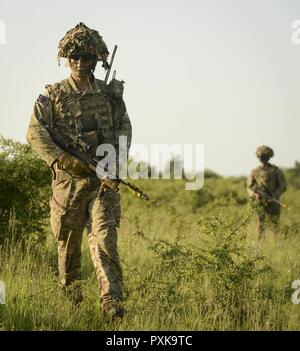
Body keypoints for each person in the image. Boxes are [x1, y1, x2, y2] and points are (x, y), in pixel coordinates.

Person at [26, 22, 132, 319]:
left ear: (97, 59)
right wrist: (63, 158)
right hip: (69, 184)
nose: (80, 63)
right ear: (66, 58)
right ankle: (72, 301)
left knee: (104, 240)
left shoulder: (110, 95)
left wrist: (113, 164)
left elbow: (124, 129)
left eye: (86, 58)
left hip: (102, 182)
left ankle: (111, 301)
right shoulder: (54, 95)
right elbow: (34, 132)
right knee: (68, 245)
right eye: (74, 57)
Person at [247, 146, 286, 238]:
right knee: (260, 225)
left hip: (273, 202)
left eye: (265, 156)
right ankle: (259, 245)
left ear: (269, 157)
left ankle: (276, 246)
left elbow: (282, 186)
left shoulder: (276, 171)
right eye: (261, 157)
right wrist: (254, 194)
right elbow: (249, 187)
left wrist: (274, 196)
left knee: (275, 225)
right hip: (260, 202)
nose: (262, 159)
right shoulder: (255, 171)